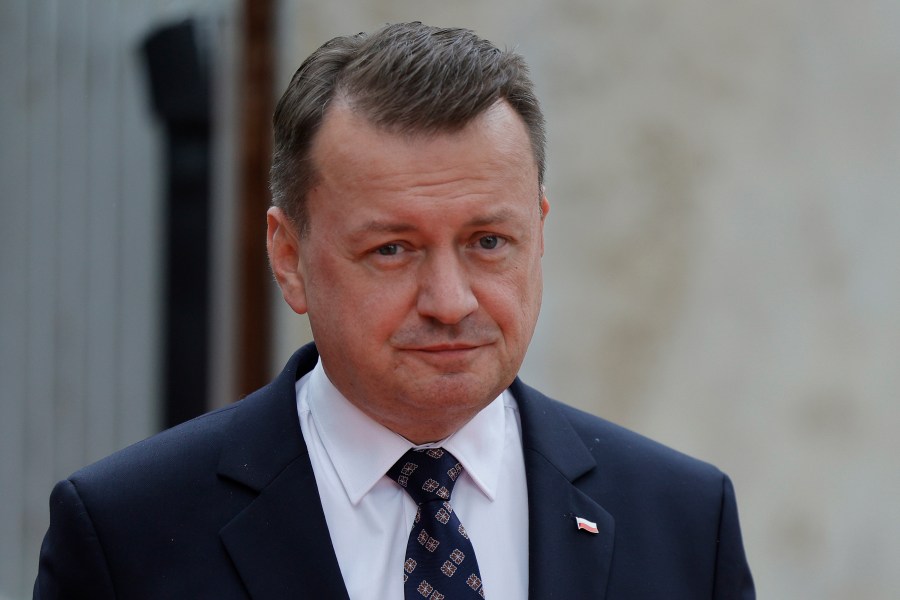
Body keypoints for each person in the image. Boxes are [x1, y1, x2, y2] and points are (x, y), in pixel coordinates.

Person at [34, 22, 755, 599]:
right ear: (288, 258)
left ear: (539, 235)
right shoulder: (125, 536)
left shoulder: (685, 523)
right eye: (392, 250)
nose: (450, 302)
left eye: (488, 242)